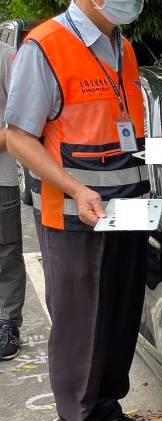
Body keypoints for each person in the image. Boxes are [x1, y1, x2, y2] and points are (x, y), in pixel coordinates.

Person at [5, 0, 154, 421]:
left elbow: (124, 131)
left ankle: (107, 409)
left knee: (120, 313)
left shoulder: (123, 47)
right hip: (75, 213)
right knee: (80, 324)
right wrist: (76, 189)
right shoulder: (45, 46)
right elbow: (18, 137)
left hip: (127, 210)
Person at [0, 40, 23, 360]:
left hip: (1, 177)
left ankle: (7, 322)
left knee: (5, 254)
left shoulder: (5, 55)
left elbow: (21, 121)